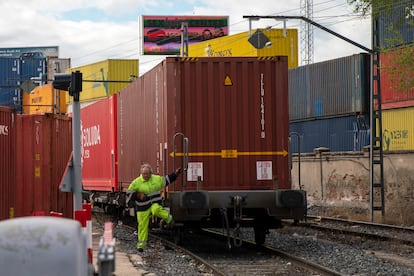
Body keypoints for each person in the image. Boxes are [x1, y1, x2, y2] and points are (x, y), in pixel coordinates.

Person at [127, 163, 181, 252]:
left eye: (147, 174)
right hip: (142, 206)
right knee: (142, 226)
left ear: (150, 173)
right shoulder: (136, 182)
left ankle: (169, 218)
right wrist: (138, 195)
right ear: (141, 173)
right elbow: (129, 193)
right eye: (144, 174)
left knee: (156, 210)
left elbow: (166, 180)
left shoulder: (156, 179)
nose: (145, 176)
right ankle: (141, 245)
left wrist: (175, 174)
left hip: (154, 203)